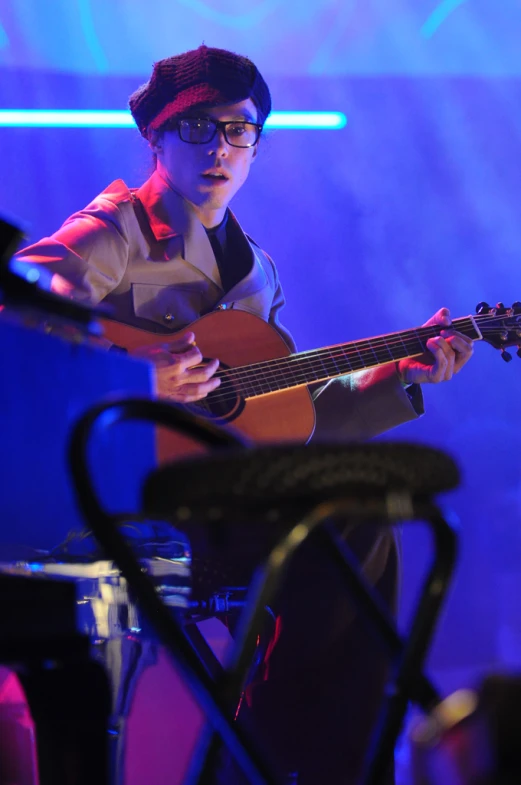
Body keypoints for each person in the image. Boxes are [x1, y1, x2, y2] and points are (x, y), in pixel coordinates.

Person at [13, 45, 473, 784]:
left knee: (361, 511)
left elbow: (282, 420)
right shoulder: (110, 234)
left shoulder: (256, 270)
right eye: (196, 128)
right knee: (343, 522)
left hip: (221, 506)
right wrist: (138, 375)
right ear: (156, 139)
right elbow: (17, 323)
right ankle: (278, 753)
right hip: (125, 510)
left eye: (239, 131)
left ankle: (316, 754)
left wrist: (398, 377)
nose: (219, 148)